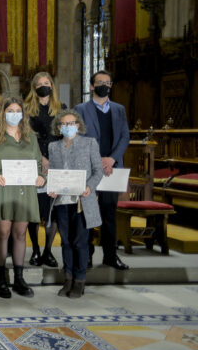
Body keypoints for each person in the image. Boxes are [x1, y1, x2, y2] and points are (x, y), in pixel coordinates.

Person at [0, 96, 45, 299]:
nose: (14, 114)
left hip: (24, 190)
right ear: (3, 114)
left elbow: (38, 164)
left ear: (23, 114)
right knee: (2, 232)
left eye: (18, 110)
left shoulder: (30, 138)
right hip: (2, 189)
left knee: (20, 233)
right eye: (10, 111)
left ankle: (19, 278)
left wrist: (41, 178)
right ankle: (1, 278)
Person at [75, 70, 130, 270]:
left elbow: (125, 136)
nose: (104, 85)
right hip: (90, 168)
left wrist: (112, 158)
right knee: (88, 213)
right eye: (100, 82)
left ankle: (110, 255)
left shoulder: (119, 109)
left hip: (112, 169)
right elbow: (77, 136)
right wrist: (97, 160)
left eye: (108, 82)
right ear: (91, 86)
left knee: (109, 213)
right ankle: (87, 255)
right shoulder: (80, 109)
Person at [47, 109, 104, 298]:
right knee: (66, 242)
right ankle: (68, 279)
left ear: (78, 126)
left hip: (82, 200)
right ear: (58, 127)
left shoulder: (89, 143)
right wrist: (51, 187)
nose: (68, 127)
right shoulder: (53, 147)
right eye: (64, 124)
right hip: (62, 201)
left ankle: (80, 280)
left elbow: (98, 171)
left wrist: (89, 186)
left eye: (71, 123)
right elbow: (53, 174)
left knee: (80, 242)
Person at [25, 72, 66, 267]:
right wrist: (40, 158)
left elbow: (66, 138)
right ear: (34, 87)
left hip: (56, 165)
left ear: (52, 86)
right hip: (34, 163)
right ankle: (34, 250)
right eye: (40, 83)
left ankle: (48, 251)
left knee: (54, 210)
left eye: (47, 82)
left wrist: (52, 159)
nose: (44, 86)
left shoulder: (61, 109)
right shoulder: (26, 109)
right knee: (35, 209)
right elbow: (26, 137)